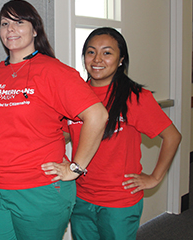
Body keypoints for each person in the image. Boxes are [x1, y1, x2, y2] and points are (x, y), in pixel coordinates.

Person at [0, 0, 108, 240]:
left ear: (35, 29)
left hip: (40, 191)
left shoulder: (54, 72)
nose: (10, 29)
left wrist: (76, 167)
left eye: (18, 22)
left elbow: (97, 115)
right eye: (4, 23)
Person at [43, 27, 182, 240]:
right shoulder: (75, 94)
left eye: (107, 53)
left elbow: (172, 136)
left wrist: (155, 178)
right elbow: (63, 134)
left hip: (119, 202)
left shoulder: (135, 97)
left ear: (120, 60)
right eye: (91, 52)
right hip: (81, 195)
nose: (97, 59)